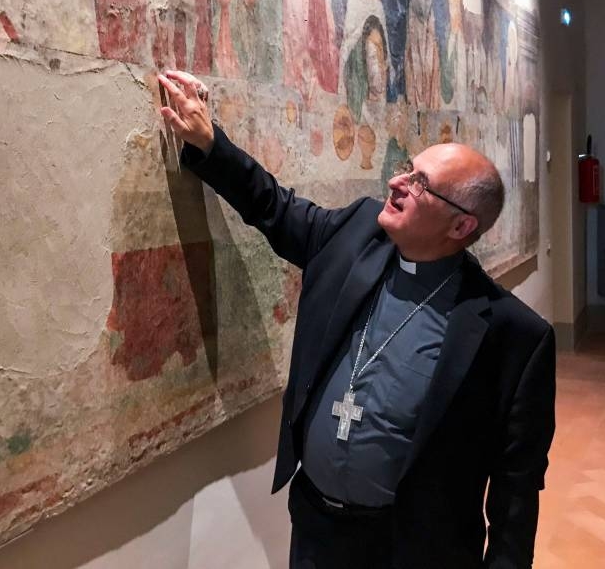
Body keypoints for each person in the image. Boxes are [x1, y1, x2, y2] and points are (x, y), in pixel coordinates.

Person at [156, 70, 556, 569]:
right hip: (318, 527)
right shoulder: (353, 235)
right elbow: (274, 209)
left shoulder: (513, 335)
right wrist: (209, 142)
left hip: (412, 549)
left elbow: (516, 486)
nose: (397, 182)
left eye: (420, 184)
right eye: (408, 168)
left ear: (461, 225)